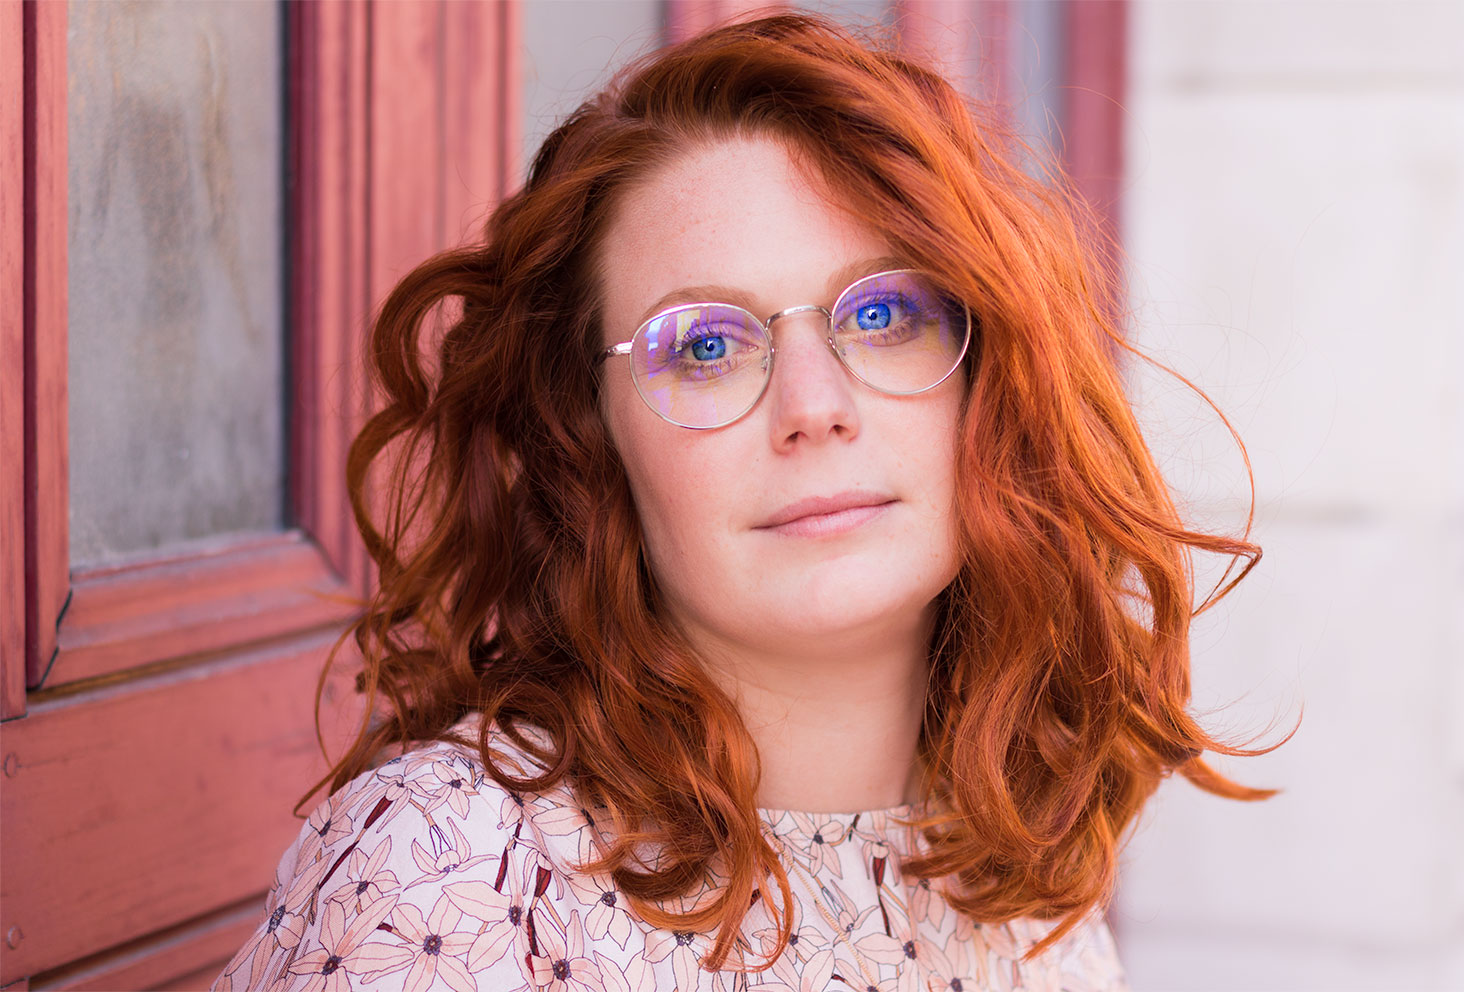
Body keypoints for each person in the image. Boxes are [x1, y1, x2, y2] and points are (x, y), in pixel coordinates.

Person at [216, 13, 1281, 992]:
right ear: (587, 441)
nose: (814, 407)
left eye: (887, 313)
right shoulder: (456, 882)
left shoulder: (1017, 887)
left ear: (987, 381)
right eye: (707, 345)